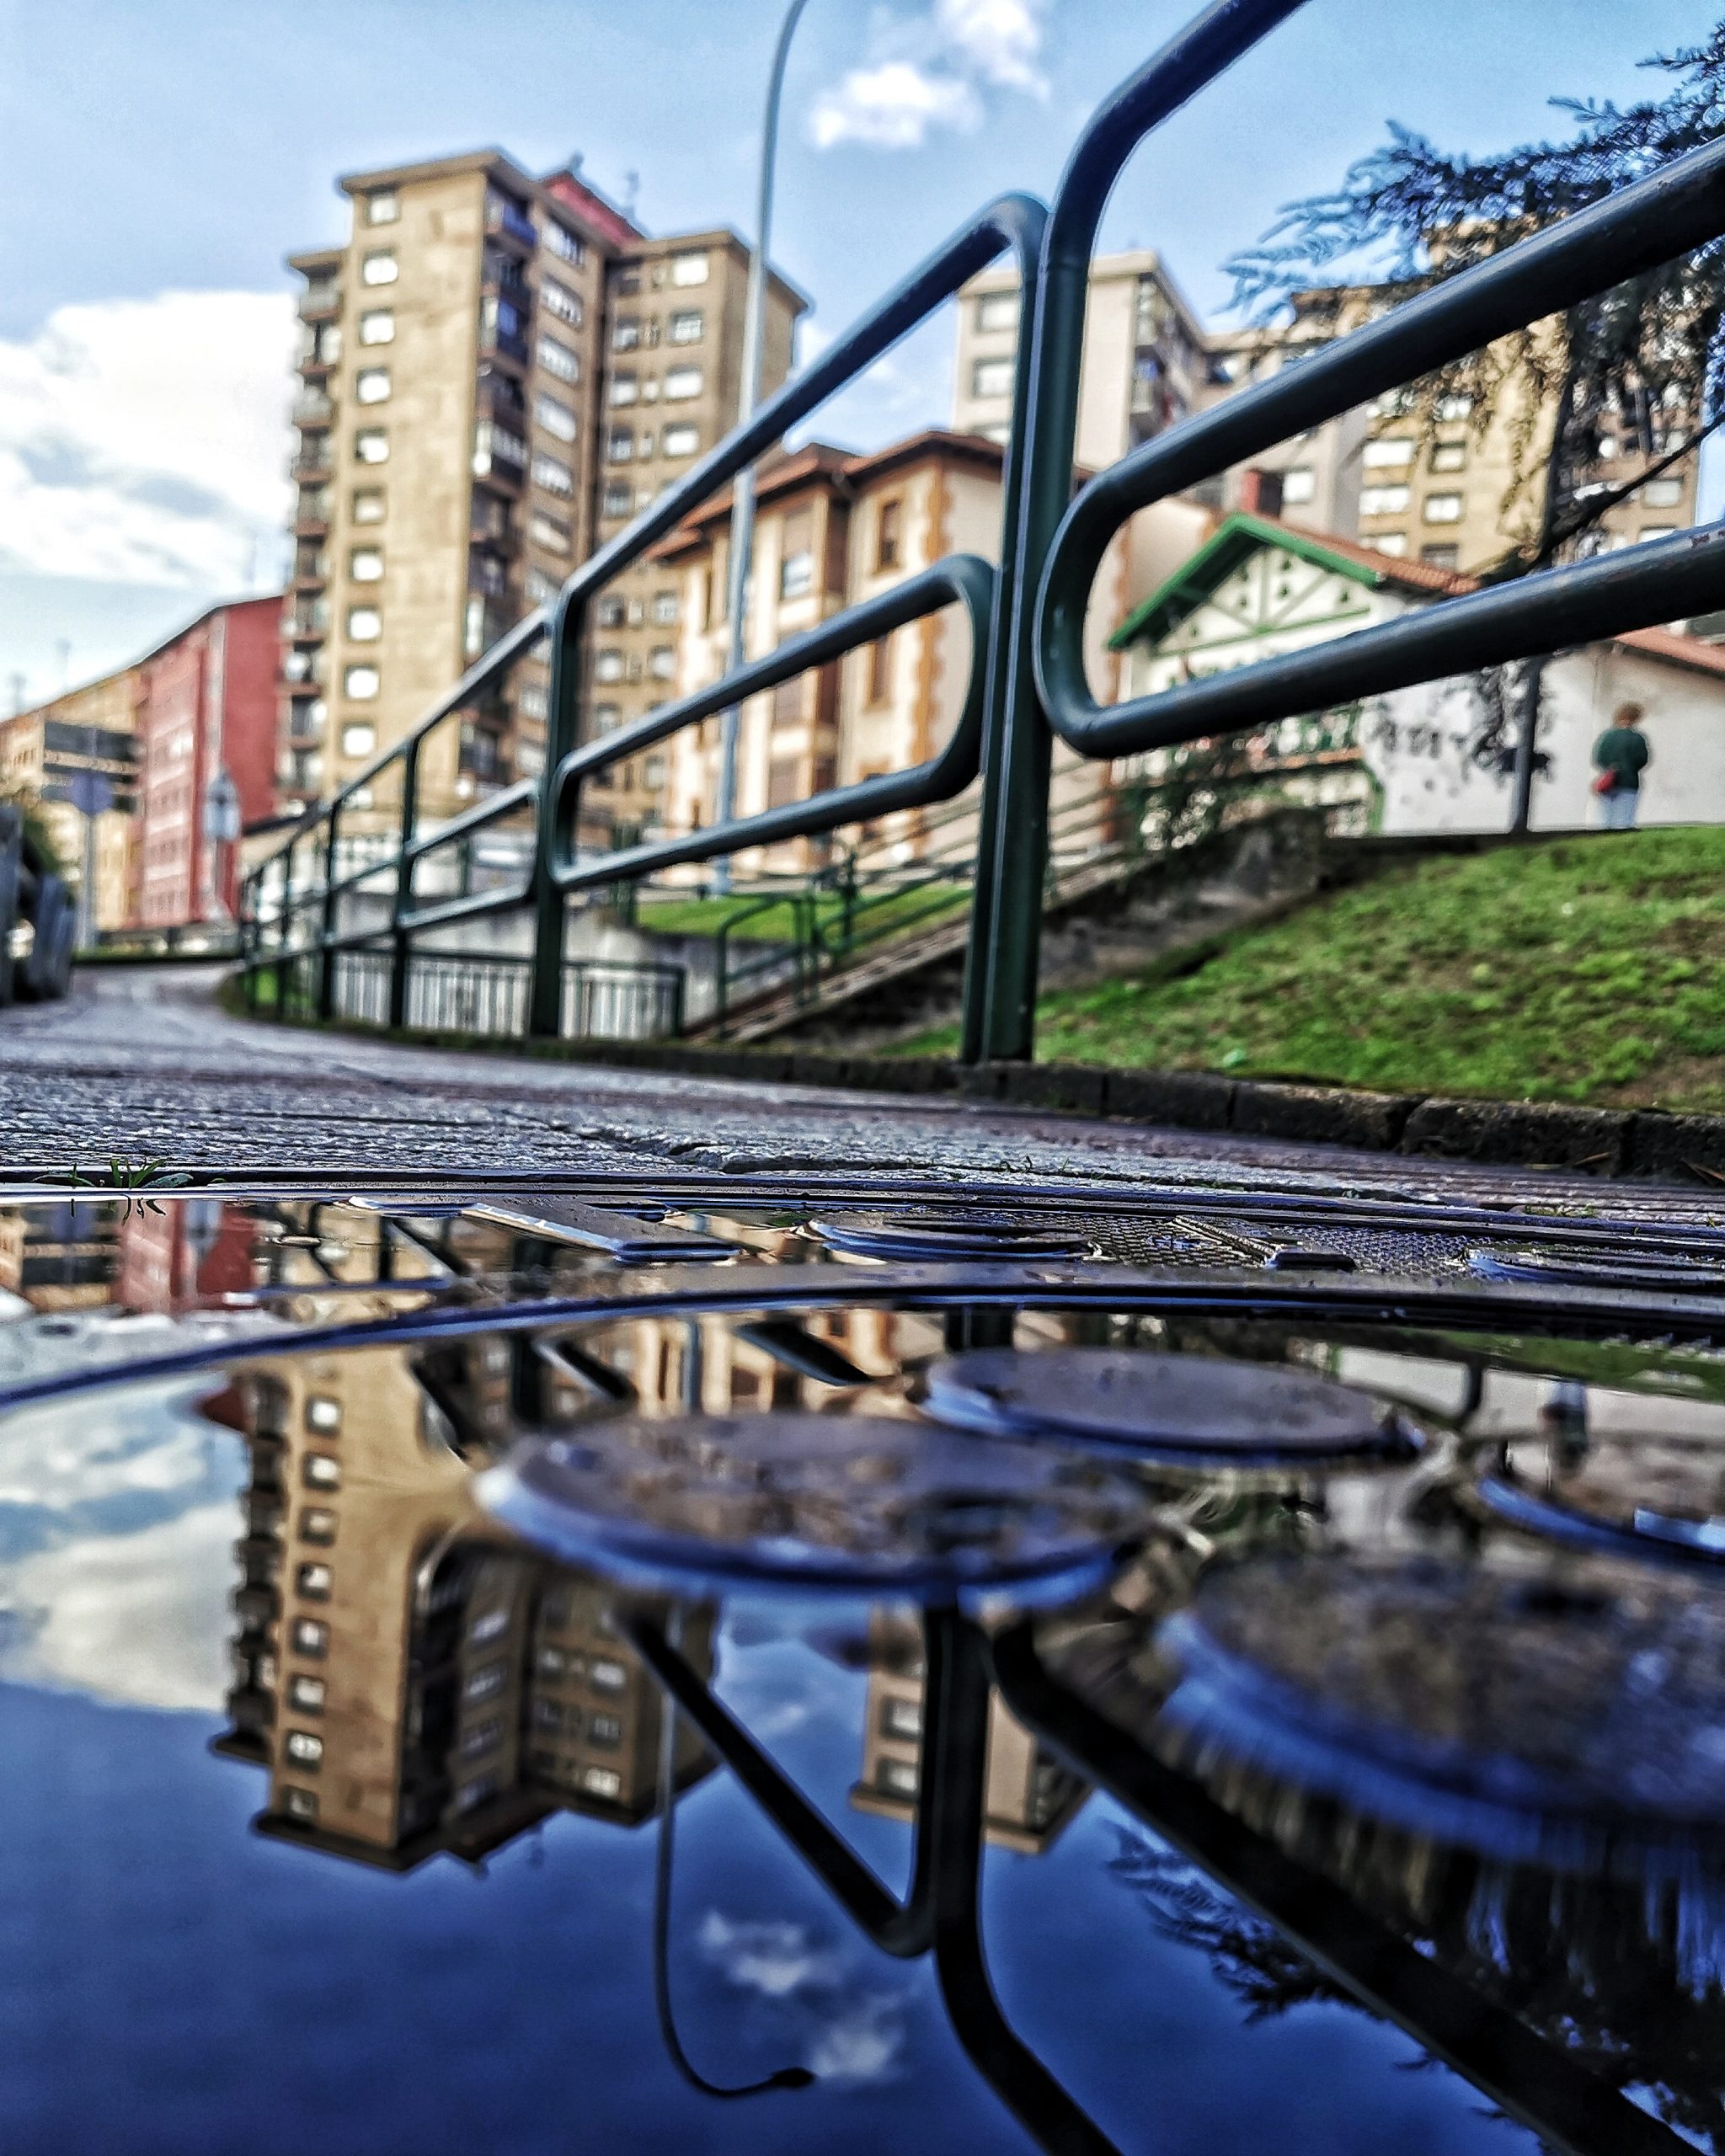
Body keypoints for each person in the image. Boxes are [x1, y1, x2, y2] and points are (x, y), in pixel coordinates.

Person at [1592, 700, 1650, 829]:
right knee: (1624, 822)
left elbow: (1598, 759)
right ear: (1635, 718)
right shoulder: (1638, 738)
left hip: (1608, 783)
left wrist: (1610, 770)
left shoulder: (1607, 736)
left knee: (1604, 821)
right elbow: (1643, 759)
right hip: (1629, 782)